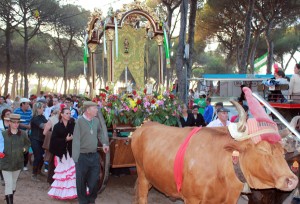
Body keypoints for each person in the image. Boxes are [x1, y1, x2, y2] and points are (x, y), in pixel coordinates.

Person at [72, 101, 109, 204]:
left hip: (94, 156)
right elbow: (76, 140)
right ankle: (83, 201)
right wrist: (76, 158)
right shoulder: (79, 122)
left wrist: (105, 144)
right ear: (88, 110)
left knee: (94, 181)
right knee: (81, 182)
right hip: (81, 156)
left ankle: (91, 199)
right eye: (95, 108)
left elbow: (100, 132)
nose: (97, 110)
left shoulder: (96, 121)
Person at [0, 114, 30, 204]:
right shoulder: (3, 134)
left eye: (17, 122)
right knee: (9, 183)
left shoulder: (23, 134)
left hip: (18, 162)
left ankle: (8, 196)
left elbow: (27, 144)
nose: (16, 124)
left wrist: (24, 149)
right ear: (9, 122)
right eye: (13, 122)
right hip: (5, 163)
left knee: (13, 183)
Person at [48, 108, 76, 199]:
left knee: (71, 173)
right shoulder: (57, 126)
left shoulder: (72, 125)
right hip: (61, 153)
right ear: (62, 115)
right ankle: (60, 193)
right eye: (67, 113)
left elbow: (77, 135)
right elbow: (54, 140)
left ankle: (71, 193)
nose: (69, 115)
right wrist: (65, 140)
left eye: (69, 113)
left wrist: (73, 137)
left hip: (71, 152)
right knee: (63, 173)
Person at [30, 102, 48, 181]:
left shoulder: (42, 116)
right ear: (37, 109)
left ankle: (38, 171)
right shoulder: (35, 118)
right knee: (38, 156)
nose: (43, 109)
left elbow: (47, 124)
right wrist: (50, 123)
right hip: (35, 139)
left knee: (42, 157)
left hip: (41, 139)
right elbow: (43, 126)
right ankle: (34, 174)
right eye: (41, 108)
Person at [13, 98, 32, 171]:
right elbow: (15, 122)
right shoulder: (16, 111)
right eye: (27, 104)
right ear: (22, 104)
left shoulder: (30, 111)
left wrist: (29, 126)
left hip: (27, 132)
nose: (28, 105)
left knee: (25, 148)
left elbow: (31, 120)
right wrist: (26, 126)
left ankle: (24, 164)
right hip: (18, 131)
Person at [43, 108, 60, 184]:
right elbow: (45, 132)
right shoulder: (52, 119)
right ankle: (51, 179)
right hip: (53, 143)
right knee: (52, 160)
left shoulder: (66, 120)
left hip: (61, 143)